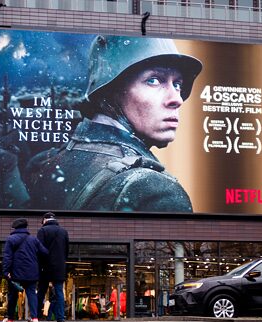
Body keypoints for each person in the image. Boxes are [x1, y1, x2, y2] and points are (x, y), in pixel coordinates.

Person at [24, 35, 203, 212]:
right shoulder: (155, 192)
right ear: (111, 91)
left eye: (177, 84)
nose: (177, 99)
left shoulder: (46, 163)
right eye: (154, 80)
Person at [2, 218, 48, 322]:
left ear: (15, 228)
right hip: (32, 272)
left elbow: (7, 257)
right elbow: (45, 252)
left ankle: (10, 320)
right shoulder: (33, 239)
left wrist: (6, 271)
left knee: (13, 296)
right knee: (32, 294)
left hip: (15, 273)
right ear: (26, 227)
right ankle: (35, 318)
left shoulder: (11, 239)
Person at [37, 212, 69, 322]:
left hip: (45, 265)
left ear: (45, 220)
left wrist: (39, 265)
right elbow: (66, 250)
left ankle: (35, 317)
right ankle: (60, 319)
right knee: (59, 292)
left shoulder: (42, 231)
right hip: (59, 266)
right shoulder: (63, 231)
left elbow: (39, 250)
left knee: (41, 291)